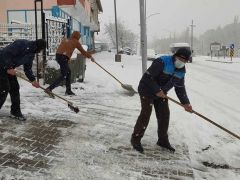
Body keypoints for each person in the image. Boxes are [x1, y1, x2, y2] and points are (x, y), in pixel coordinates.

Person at [131, 47, 193, 153]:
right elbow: (147, 77)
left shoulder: (181, 71)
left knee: (164, 115)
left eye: (184, 60)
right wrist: (156, 90)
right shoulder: (162, 62)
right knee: (146, 113)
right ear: (175, 56)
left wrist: (186, 103)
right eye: (179, 58)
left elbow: (180, 88)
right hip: (146, 89)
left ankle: (162, 140)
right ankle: (136, 139)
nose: (181, 62)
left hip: (161, 94)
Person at [0, 39, 46, 121]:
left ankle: (15, 112)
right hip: (2, 65)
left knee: (15, 88)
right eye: (41, 49)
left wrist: (33, 80)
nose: (40, 52)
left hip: (9, 69)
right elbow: (5, 53)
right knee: (4, 88)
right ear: (38, 47)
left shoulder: (31, 53)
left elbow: (27, 68)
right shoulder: (22, 44)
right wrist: (9, 67)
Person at [45, 31, 95, 96]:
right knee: (64, 75)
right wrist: (90, 57)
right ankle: (49, 88)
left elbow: (63, 49)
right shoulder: (76, 42)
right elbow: (83, 51)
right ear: (78, 37)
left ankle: (68, 90)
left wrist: (66, 58)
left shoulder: (67, 39)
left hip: (59, 56)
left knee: (68, 72)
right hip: (63, 57)